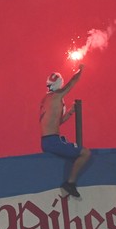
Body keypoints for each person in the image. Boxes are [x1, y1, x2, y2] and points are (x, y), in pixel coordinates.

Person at [40, 64, 91, 198]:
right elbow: (72, 83)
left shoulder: (46, 99)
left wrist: (70, 112)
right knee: (85, 153)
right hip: (53, 141)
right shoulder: (57, 96)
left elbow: (56, 123)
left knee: (71, 151)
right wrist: (80, 70)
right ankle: (70, 183)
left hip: (47, 140)